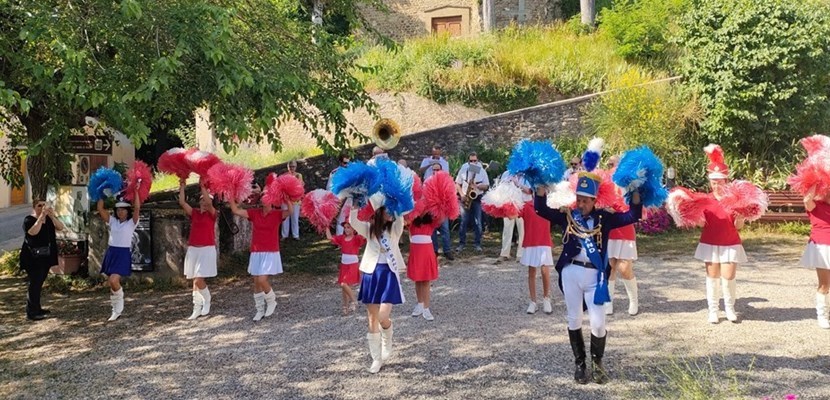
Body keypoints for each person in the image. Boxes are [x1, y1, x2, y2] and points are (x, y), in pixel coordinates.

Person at [535, 173, 642, 384]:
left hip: (595, 275)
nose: (581, 204)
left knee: (598, 323)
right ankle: (580, 364)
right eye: (579, 199)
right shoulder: (568, 216)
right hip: (571, 272)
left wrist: (636, 190)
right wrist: (540, 186)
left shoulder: (605, 218)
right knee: (574, 318)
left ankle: (598, 362)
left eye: (585, 200)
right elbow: (541, 209)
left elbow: (632, 216)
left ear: (594, 200)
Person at [350, 195, 406, 373]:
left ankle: (387, 335)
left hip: (388, 274)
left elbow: (401, 218)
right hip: (371, 274)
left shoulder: (395, 228)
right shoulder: (369, 229)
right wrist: (354, 204)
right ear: (379, 212)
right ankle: (376, 358)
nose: (389, 212)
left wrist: (397, 202)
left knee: (382, 316)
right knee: (372, 318)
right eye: (386, 209)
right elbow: (353, 221)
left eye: (391, 209)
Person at [696, 145, 746, 324]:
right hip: (710, 242)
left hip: (730, 242)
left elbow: (738, 226)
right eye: (714, 181)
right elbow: (700, 222)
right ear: (710, 181)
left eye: (720, 181)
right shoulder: (704, 199)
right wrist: (696, 219)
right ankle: (713, 310)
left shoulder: (734, 199)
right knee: (712, 277)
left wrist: (741, 217)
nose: (717, 185)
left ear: (726, 181)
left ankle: (730, 309)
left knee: (729, 276)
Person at [228, 189, 291, 321]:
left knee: (262, 280)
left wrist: (287, 199)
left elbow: (290, 211)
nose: (265, 200)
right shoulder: (254, 213)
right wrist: (230, 194)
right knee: (256, 282)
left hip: (270, 251)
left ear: (272, 201)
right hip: (256, 251)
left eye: (268, 198)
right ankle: (259, 309)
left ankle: (272, 300)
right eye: (263, 197)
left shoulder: (277, 214)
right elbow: (235, 210)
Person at [96, 188, 142, 322]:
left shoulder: (131, 223)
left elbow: (138, 208)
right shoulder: (112, 221)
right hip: (112, 252)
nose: (120, 212)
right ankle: (115, 308)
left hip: (122, 253)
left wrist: (137, 191)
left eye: (123, 209)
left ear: (128, 211)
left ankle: (119, 303)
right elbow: (100, 208)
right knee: (110, 283)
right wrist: (100, 191)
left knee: (113, 280)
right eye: (118, 209)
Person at [604, 155, 640, 316]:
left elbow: (635, 204)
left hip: (625, 226)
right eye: (610, 164)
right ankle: (608, 301)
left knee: (624, 268)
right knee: (609, 265)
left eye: (615, 163)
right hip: (610, 228)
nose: (612, 166)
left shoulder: (630, 182)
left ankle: (633, 300)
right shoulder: (605, 180)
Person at [178, 179, 217, 320]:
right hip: (193, 249)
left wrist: (202, 186)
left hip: (206, 249)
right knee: (194, 280)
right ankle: (196, 308)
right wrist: (182, 186)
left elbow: (210, 203)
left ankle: (207, 298)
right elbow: (182, 203)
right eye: (203, 200)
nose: (205, 202)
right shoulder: (194, 213)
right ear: (200, 201)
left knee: (199, 279)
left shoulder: (212, 214)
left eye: (207, 200)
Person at [20, 199, 65, 321]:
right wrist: (41, 218)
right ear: (34, 207)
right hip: (32, 257)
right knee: (34, 283)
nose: (42, 207)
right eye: (39, 205)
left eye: (44, 205)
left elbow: (60, 227)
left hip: (45, 256)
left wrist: (52, 216)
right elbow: (33, 232)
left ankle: (37, 307)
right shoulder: (29, 220)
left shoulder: (49, 219)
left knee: (39, 282)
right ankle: (31, 312)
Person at [801, 186, 830, 329]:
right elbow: (807, 199)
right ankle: (822, 315)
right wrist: (816, 181)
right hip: (822, 247)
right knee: (824, 284)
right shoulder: (815, 205)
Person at [518, 201, 554, 315]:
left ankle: (546, 298)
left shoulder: (549, 204)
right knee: (532, 271)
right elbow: (512, 215)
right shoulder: (526, 206)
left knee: (545, 270)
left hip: (544, 240)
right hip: (531, 241)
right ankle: (533, 301)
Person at [325, 221, 366, 315]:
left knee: (344, 284)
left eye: (349, 227)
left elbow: (363, 236)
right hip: (344, 265)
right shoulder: (342, 238)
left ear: (354, 229)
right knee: (344, 287)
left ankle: (354, 301)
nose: (346, 229)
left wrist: (359, 225)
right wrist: (326, 226)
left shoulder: (357, 238)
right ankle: (345, 307)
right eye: (345, 227)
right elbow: (330, 237)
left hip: (352, 264)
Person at [407, 212, 441, 321]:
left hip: (427, 252)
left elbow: (441, 217)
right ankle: (420, 304)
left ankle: (426, 307)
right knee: (418, 279)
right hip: (416, 252)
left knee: (426, 280)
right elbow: (402, 221)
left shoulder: (431, 221)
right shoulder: (412, 221)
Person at [455, 152, 490, 252]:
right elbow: (457, 184)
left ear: (478, 160)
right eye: (471, 161)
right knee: (463, 221)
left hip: (477, 197)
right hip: (465, 197)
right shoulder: (463, 169)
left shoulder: (482, 171)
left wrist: (477, 186)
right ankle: (462, 243)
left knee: (478, 222)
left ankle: (477, 244)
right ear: (468, 161)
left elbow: (487, 186)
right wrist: (461, 194)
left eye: (475, 161)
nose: (473, 163)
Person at [498, 170, 532, 261]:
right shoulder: (506, 174)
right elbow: (501, 189)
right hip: (509, 204)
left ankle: (521, 254)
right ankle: (504, 253)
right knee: (507, 229)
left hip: (523, 204)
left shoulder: (528, 175)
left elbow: (530, 191)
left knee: (522, 230)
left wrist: (517, 184)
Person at [428, 163, 453, 260]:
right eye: (434, 170)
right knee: (433, 231)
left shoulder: (446, 181)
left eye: (438, 170)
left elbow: (450, 195)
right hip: (432, 210)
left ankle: (447, 251)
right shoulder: (428, 181)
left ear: (441, 170)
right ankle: (434, 251)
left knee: (445, 230)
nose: (436, 171)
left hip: (443, 210)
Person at [327, 154, 351, 236]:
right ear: (340, 162)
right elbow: (330, 187)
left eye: (348, 162)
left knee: (352, 218)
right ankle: (339, 239)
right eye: (345, 163)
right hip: (340, 198)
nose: (347, 164)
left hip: (351, 197)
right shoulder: (334, 173)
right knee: (340, 219)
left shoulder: (352, 171)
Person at [281, 160, 304, 241]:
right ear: (288, 167)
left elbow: (300, 186)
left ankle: (295, 235)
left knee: (295, 218)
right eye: (290, 166)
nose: (292, 168)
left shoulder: (299, 175)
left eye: (293, 166)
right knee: (285, 218)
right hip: (286, 199)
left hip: (295, 199)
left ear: (296, 166)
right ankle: (284, 235)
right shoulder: (284, 176)